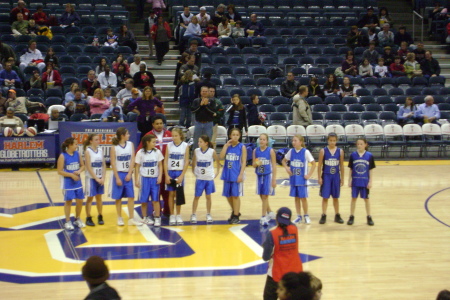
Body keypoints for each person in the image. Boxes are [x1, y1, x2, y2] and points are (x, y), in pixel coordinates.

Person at [262, 207, 304, 300]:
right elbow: (289, 224)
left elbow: (265, 257)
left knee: (269, 297)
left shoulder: (272, 234)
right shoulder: (295, 228)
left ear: (277, 219)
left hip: (277, 273)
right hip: (295, 272)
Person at [137, 116, 173, 216]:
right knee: (155, 193)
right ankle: (155, 211)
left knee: (167, 191)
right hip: (153, 169)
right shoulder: (148, 136)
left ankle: (168, 211)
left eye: (161, 123)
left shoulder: (169, 134)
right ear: (153, 124)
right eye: (157, 123)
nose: (159, 125)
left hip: (167, 168)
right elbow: (140, 150)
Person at [110, 127, 141, 226]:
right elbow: (113, 163)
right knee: (118, 197)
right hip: (118, 173)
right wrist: (117, 177)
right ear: (122, 135)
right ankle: (119, 217)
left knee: (131, 196)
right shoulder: (114, 147)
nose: (129, 135)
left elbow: (132, 159)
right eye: (127, 134)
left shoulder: (130, 144)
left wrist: (129, 173)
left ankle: (131, 218)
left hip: (128, 174)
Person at [282, 135, 316, 224]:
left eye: (295, 140)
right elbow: (283, 161)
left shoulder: (305, 152)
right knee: (296, 198)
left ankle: (306, 215)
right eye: (292, 141)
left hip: (302, 180)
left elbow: (314, 164)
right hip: (293, 179)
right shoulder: (291, 151)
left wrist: (309, 175)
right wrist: (286, 168)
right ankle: (298, 216)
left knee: (303, 198)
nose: (293, 142)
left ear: (300, 142)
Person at [135, 134, 164, 227]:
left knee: (156, 199)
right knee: (144, 200)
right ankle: (145, 217)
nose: (155, 143)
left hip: (154, 178)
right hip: (144, 178)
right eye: (153, 142)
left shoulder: (157, 152)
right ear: (147, 142)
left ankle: (157, 217)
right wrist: (136, 179)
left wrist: (160, 176)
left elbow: (160, 165)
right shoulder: (140, 153)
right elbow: (137, 167)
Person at [57, 137, 85, 231]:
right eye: (75, 144)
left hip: (78, 181)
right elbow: (59, 171)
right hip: (68, 182)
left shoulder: (77, 154)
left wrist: (79, 171)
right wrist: (71, 175)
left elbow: (83, 166)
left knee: (80, 200)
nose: (77, 146)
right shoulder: (63, 156)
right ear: (70, 145)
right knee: (68, 201)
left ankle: (77, 218)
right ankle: (67, 221)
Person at [191, 135, 220, 223]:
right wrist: (194, 171)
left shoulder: (212, 151)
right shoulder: (196, 151)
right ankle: (193, 214)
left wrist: (217, 172)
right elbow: (193, 162)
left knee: (208, 197)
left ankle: (208, 214)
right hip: (200, 178)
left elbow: (218, 161)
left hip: (208, 178)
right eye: (198, 141)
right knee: (196, 197)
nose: (198, 143)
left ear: (206, 143)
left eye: (200, 142)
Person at [220, 128, 247, 224]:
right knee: (228, 195)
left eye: (237, 135)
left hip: (236, 174)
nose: (235, 136)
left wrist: (241, 174)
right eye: (233, 134)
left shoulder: (242, 147)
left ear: (239, 136)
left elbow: (244, 162)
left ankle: (235, 215)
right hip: (227, 173)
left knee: (235, 195)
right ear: (230, 136)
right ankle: (235, 211)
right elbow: (221, 156)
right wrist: (225, 146)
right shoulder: (228, 146)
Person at [317, 133, 344, 225]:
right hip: (326, 176)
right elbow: (319, 165)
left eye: (334, 141)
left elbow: (341, 165)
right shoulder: (323, 151)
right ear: (328, 141)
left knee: (336, 197)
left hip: (336, 176)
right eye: (330, 140)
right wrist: (319, 177)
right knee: (325, 197)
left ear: (336, 141)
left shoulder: (340, 151)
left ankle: (337, 215)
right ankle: (324, 214)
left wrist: (342, 178)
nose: (332, 142)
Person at [165, 128, 190, 225]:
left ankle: (178, 215)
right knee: (171, 194)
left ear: (180, 136)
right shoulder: (169, 145)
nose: (174, 137)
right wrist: (166, 175)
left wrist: (182, 176)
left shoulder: (185, 146)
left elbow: (186, 161)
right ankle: (172, 215)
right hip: (171, 172)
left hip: (179, 172)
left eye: (176, 136)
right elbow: (166, 161)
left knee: (178, 194)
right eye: (173, 136)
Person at [348, 138, 375, 226]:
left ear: (365, 145)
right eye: (358, 144)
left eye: (361, 144)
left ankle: (369, 216)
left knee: (366, 199)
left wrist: (370, 181)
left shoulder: (369, 155)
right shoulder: (353, 155)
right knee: (353, 199)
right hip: (355, 181)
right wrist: (349, 180)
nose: (359, 145)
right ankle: (351, 216)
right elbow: (351, 169)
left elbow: (370, 170)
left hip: (364, 181)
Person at [253, 133, 277, 226]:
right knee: (261, 196)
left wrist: (274, 179)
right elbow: (253, 165)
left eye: (263, 139)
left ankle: (263, 216)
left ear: (267, 141)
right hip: (259, 175)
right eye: (260, 139)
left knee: (265, 196)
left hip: (268, 175)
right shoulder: (255, 150)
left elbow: (274, 166)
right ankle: (270, 212)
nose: (262, 141)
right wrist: (257, 163)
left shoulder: (270, 151)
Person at [82, 134, 106, 227]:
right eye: (96, 140)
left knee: (99, 198)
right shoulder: (88, 151)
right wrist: (96, 178)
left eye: (98, 139)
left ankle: (100, 215)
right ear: (91, 141)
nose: (98, 141)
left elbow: (103, 164)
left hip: (100, 177)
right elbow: (88, 166)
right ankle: (88, 217)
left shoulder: (100, 150)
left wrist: (103, 177)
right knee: (90, 198)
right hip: (91, 178)